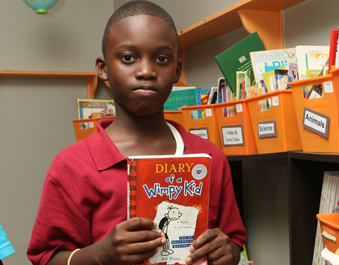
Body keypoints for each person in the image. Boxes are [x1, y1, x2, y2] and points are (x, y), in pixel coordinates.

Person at [27, 1, 246, 265]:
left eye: (161, 59)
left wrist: (229, 252)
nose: (146, 71)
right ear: (103, 68)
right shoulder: (71, 167)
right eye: (128, 58)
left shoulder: (210, 157)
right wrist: (100, 254)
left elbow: (233, 241)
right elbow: (44, 259)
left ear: (176, 70)